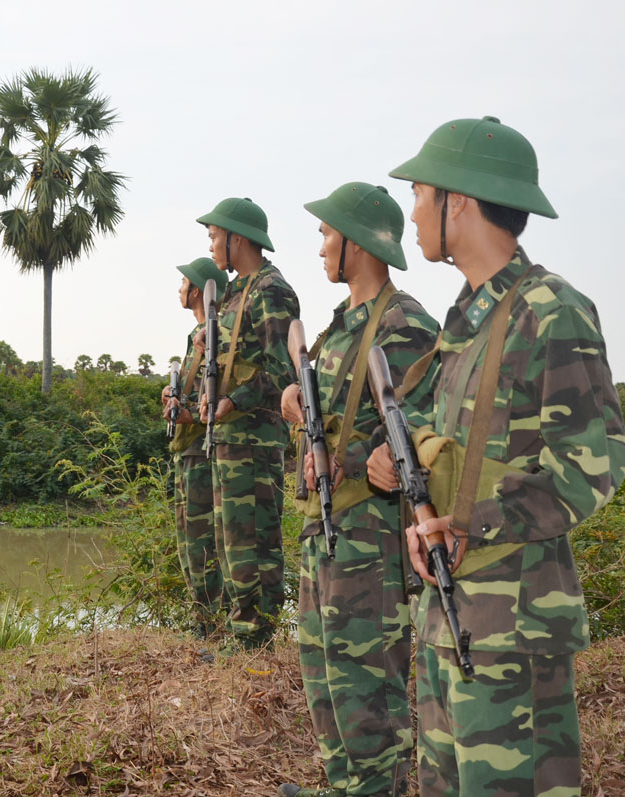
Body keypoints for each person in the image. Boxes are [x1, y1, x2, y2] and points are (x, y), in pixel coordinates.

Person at [368, 116, 625, 796]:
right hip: (453, 622)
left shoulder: (552, 311)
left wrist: (469, 522)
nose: (413, 211)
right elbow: (446, 448)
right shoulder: (464, 322)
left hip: (516, 631)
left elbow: (592, 467)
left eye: (421, 193)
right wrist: (406, 482)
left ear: (460, 201)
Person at [277, 182, 439, 797]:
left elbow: (419, 426)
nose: (319, 246)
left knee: (368, 691)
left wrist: (365, 457)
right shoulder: (340, 328)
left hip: (371, 539)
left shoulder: (405, 325)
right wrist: (296, 404)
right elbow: (339, 415)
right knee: (326, 682)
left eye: (326, 234)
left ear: (358, 244)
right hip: (328, 533)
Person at [195, 197, 300, 650]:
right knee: (231, 539)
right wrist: (208, 395)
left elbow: (285, 371)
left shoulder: (271, 290)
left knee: (255, 537)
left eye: (216, 235)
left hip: (256, 439)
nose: (212, 243)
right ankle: (242, 630)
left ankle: (257, 636)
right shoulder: (237, 291)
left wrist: (235, 399)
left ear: (238, 237)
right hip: (229, 437)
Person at [162, 257, 229, 636]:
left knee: (203, 547)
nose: (178, 289)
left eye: (183, 282)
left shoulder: (215, 335)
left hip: (203, 455)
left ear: (198, 289)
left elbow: (215, 399)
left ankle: (213, 627)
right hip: (186, 454)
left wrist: (187, 413)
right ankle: (203, 624)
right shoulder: (196, 338)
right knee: (189, 546)